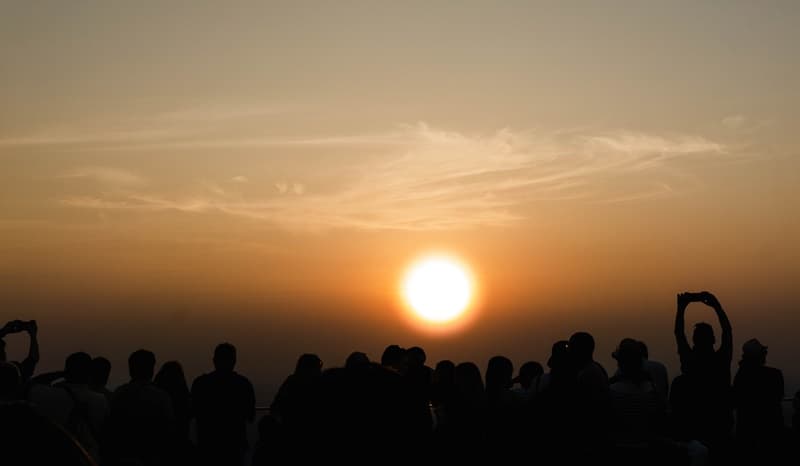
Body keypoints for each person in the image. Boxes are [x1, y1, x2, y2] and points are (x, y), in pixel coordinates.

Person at [671, 291, 733, 460]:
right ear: (713, 339)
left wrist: (681, 307)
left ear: (694, 341)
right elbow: (727, 331)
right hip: (720, 425)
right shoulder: (721, 360)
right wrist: (716, 306)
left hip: (694, 428)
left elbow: (678, 333)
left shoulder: (689, 361)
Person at [106, 349, 175, 466]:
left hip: (123, 456)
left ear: (131, 369)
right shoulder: (161, 397)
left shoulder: (119, 394)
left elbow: (111, 425)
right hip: (152, 456)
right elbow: (169, 429)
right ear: (151, 370)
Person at [192, 343, 255, 466]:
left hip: (207, 445)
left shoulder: (201, 384)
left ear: (214, 360)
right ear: (234, 361)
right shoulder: (243, 384)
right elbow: (250, 416)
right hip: (234, 445)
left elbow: (194, 411)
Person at [732, 338, 784, 462]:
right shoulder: (774, 375)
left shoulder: (742, 376)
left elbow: (736, 400)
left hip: (747, 434)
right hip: (769, 434)